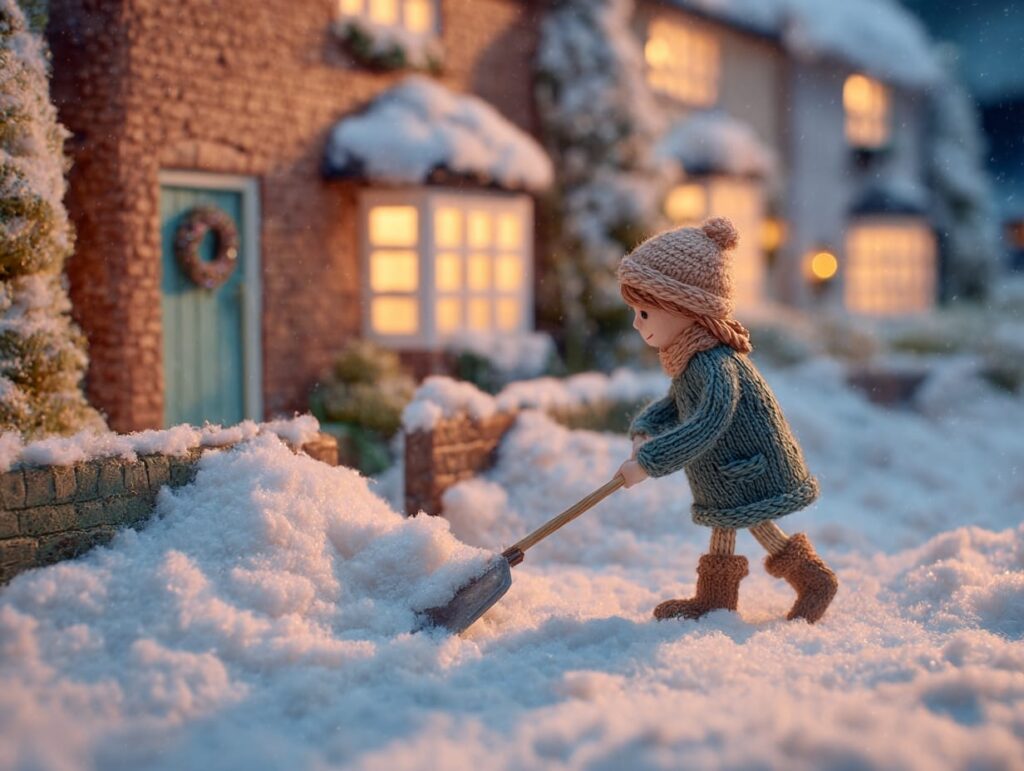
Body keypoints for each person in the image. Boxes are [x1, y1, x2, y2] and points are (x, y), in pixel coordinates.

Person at [615, 217, 838, 624]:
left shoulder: (714, 365)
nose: (637, 324)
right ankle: (735, 595)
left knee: (742, 520)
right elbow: (676, 403)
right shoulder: (692, 359)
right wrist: (646, 428)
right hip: (729, 466)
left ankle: (805, 581)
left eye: (645, 312)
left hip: (747, 462)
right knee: (741, 523)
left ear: (685, 308)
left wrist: (649, 463)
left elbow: (707, 422)